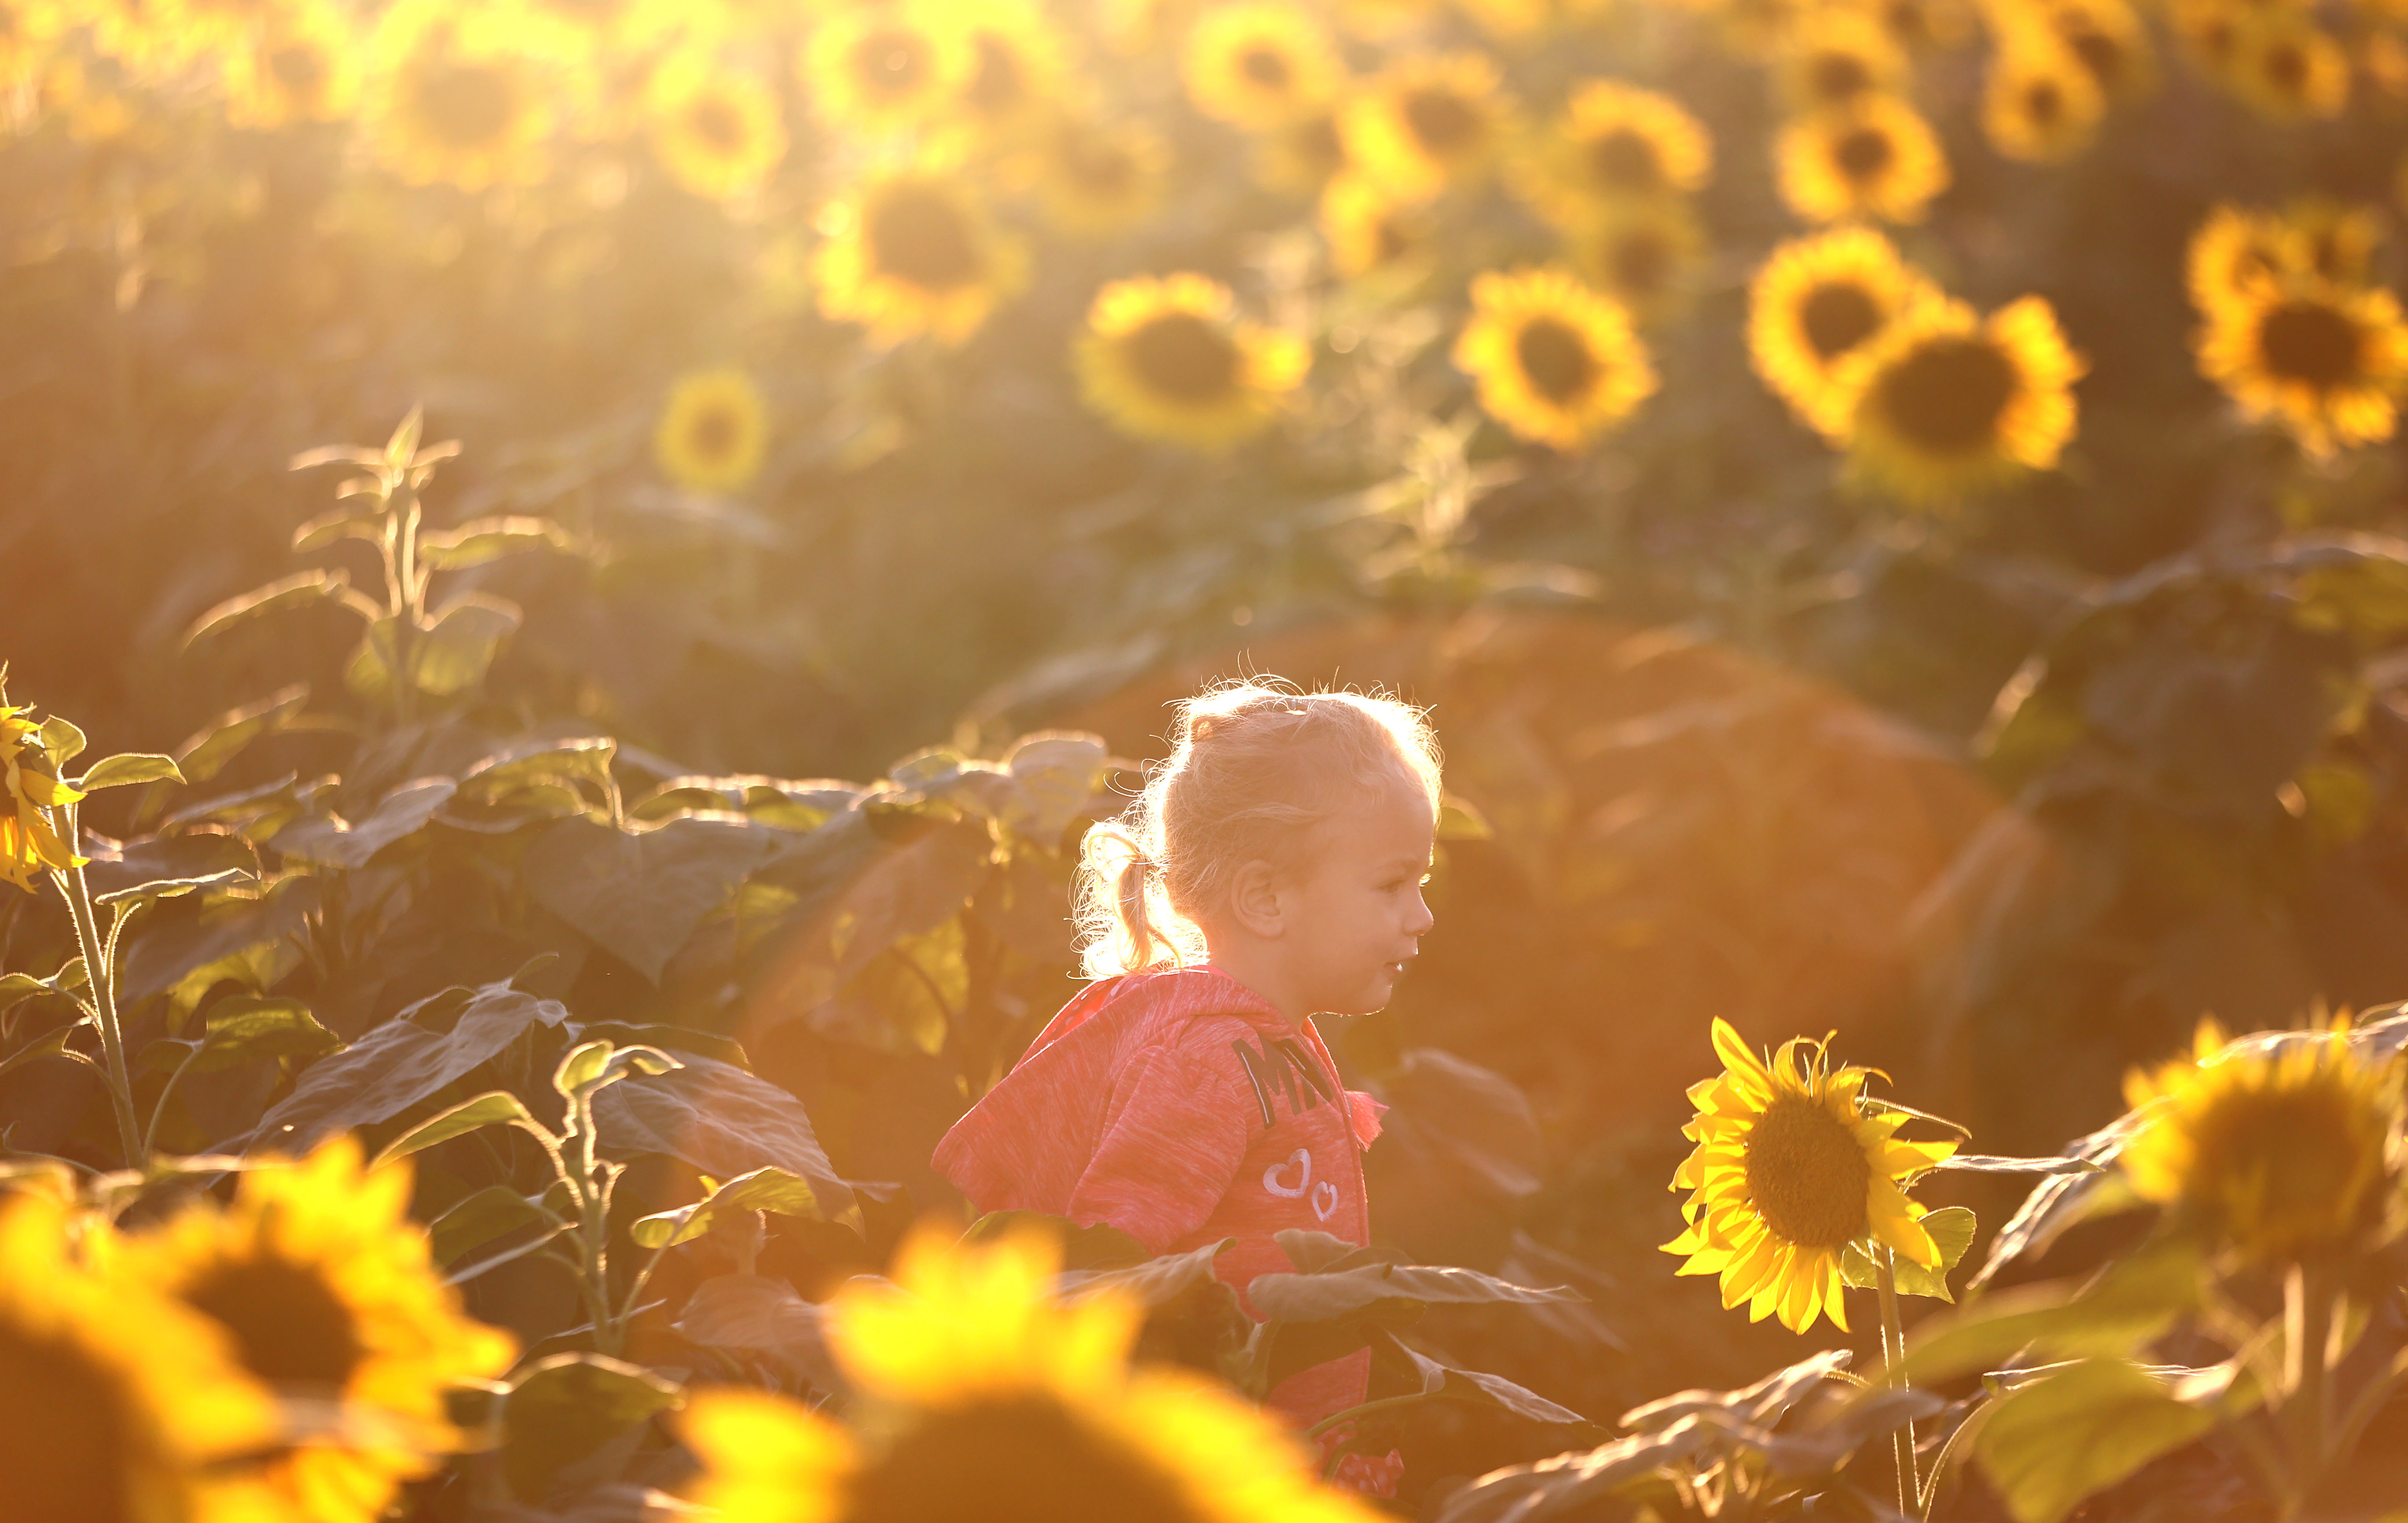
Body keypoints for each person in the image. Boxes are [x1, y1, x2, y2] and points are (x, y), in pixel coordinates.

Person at [931, 678, 1442, 1496]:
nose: (1421, 916)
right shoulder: (1209, 1058)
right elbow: (1115, 1267)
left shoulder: (1258, 1034)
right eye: (1391, 885)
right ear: (1267, 897)